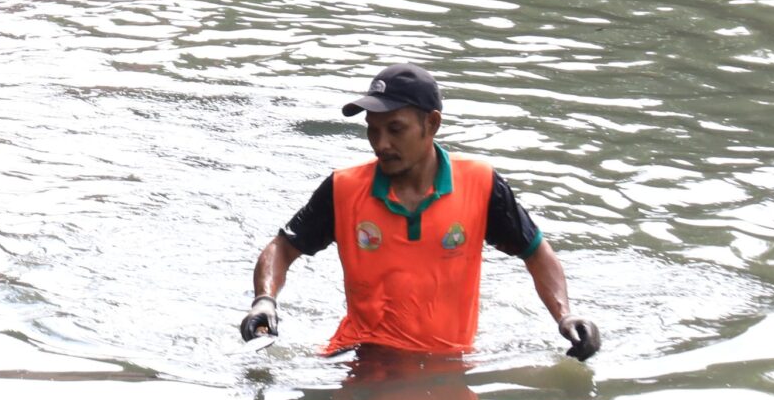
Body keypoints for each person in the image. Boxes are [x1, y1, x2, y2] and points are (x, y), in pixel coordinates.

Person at [239, 63, 602, 360]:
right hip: (360, 357)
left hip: (448, 360)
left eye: (395, 129)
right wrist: (265, 301)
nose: (381, 144)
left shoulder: (480, 184)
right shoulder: (343, 189)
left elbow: (536, 252)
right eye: (373, 130)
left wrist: (565, 313)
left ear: (432, 124)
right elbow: (282, 248)